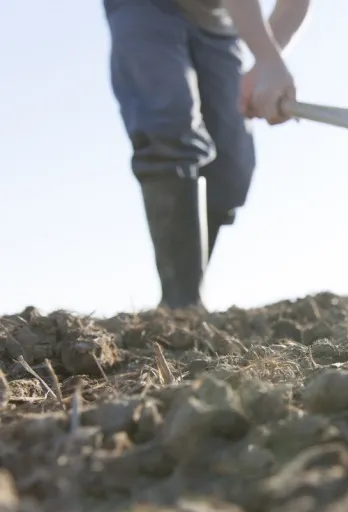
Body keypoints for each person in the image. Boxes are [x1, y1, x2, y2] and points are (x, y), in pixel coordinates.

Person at [103, 0, 310, 310]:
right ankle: (182, 304)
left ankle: (187, 293)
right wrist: (267, 58)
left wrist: (266, 63)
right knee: (169, 123)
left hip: (217, 22)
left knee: (231, 165)